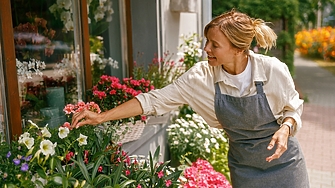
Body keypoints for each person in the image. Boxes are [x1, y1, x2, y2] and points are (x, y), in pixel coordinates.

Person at [72, 9, 309, 187]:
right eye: (207, 41)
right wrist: (102, 117)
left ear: (238, 49)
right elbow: (153, 100)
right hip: (244, 168)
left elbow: (293, 108)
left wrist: (285, 128)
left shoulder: (271, 70)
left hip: (285, 166)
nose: (206, 49)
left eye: (215, 45)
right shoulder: (201, 78)